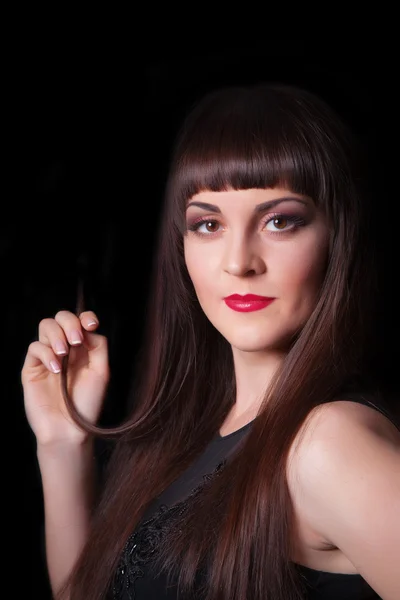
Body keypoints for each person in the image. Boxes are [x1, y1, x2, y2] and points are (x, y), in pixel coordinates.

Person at [21, 83, 400, 600]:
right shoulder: (193, 431)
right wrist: (62, 444)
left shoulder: (328, 444)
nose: (239, 261)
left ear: (337, 235)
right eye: (208, 224)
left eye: (280, 221)